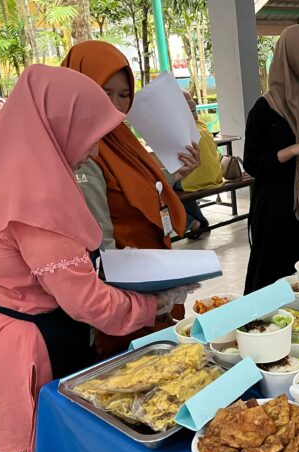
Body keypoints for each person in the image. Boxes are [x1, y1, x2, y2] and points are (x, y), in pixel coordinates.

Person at [0, 65, 193, 452]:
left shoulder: (4, 166)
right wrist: (154, 306)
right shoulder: (36, 197)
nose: (96, 151)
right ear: (58, 126)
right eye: (91, 136)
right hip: (26, 352)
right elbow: (86, 301)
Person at [62, 40, 200, 358]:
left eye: (124, 95)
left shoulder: (120, 138)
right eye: (104, 91)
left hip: (148, 282)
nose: (114, 104)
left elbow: (139, 189)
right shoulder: (83, 153)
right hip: (125, 299)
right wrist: (144, 298)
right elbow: (100, 250)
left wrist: (174, 175)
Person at [243, 24, 299, 293]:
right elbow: (253, 163)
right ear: (292, 58)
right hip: (274, 207)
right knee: (273, 278)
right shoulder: (264, 109)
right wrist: (294, 149)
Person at [175, 91, 225, 238]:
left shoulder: (179, 129)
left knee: (164, 189)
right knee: (180, 187)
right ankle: (199, 222)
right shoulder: (201, 124)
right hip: (215, 175)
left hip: (196, 179)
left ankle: (190, 223)